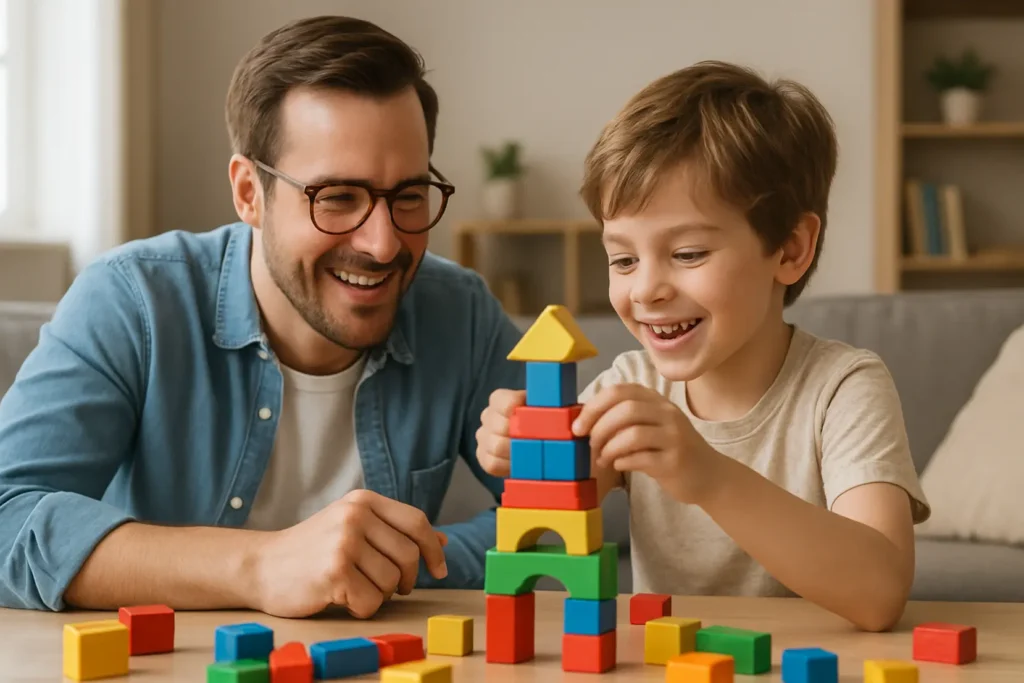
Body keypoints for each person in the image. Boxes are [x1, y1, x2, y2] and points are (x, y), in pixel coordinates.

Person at [0, 15, 524, 617]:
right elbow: (7, 512)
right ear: (249, 192)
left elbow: (563, 512)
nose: (384, 244)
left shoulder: (460, 313)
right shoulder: (132, 301)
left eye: (407, 196)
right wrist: (259, 566)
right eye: (337, 198)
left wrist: (393, 561)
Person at [476, 61, 930, 632]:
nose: (646, 289)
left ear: (789, 249)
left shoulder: (843, 387)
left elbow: (880, 591)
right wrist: (526, 453)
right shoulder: (628, 386)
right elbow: (561, 510)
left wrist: (709, 476)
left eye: (688, 253)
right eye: (623, 259)